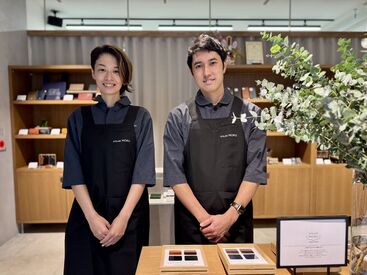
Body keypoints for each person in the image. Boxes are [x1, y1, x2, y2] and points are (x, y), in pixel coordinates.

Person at [163, 34, 267, 244]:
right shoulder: (178, 117)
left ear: (224, 65)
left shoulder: (252, 114)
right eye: (198, 66)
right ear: (191, 72)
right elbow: (175, 175)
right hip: (193, 224)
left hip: (236, 223)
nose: (207, 72)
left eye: (213, 63)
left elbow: (255, 171)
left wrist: (228, 219)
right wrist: (207, 221)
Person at [62, 45, 155, 275]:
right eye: (102, 70)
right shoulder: (78, 119)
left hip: (129, 220)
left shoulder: (140, 117)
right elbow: (75, 174)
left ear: (124, 76)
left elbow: (141, 175)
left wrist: (123, 219)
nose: (109, 77)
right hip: (87, 218)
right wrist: (92, 218)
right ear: (93, 73)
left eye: (116, 71)